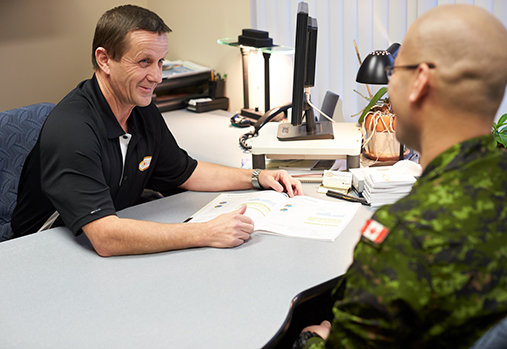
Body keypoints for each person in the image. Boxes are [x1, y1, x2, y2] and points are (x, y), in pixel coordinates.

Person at [293, 4, 507, 349]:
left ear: (419, 80)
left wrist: (313, 339)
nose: (388, 83)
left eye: (394, 70)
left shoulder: (405, 235)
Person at [11, 5, 303, 257]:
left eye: (160, 62)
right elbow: (105, 238)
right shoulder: (72, 129)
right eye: (144, 62)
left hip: (104, 235)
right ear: (104, 60)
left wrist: (257, 177)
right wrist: (205, 233)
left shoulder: (140, 109)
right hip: (42, 251)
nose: (157, 77)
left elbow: (186, 171)